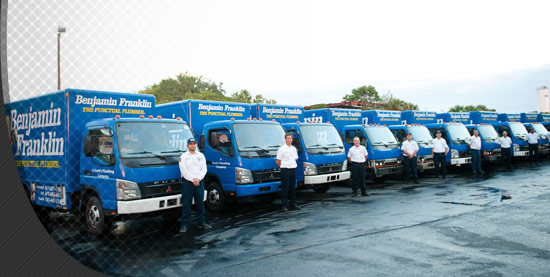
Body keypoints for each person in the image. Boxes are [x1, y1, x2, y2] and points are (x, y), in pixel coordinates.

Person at [179, 138, 211, 233]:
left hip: (199, 182)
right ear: (188, 145)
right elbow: (183, 170)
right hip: (188, 183)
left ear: (196, 144)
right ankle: (184, 225)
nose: (193, 145)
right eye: (191, 144)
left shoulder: (201, 156)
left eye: (194, 143)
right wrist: (193, 179)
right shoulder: (183, 157)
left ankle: (202, 223)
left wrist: (198, 179)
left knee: (200, 203)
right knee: (186, 204)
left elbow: (204, 169)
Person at [276, 133, 300, 212]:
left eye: (290, 138)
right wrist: (283, 167)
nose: (289, 140)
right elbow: (278, 161)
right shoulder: (281, 149)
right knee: (285, 188)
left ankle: (294, 203)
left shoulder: (293, 148)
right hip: (285, 170)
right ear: (285, 139)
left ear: (292, 140)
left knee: (293, 187)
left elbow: (295, 158)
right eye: (287, 138)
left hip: (293, 169)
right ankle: (284, 205)